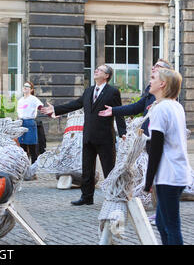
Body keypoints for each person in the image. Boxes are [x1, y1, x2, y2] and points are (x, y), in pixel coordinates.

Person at [41, 64, 126, 206]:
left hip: (105, 136)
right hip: (88, 135)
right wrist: (55, 109)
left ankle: (113, 197)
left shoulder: (113, 92)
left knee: (109, 169)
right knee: (87, 169)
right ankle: (87, 197)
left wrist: (123, 132)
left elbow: (118, 111)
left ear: (106, 76)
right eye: (96, 69)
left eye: (100, 70)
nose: (96, 71)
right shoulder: (89, 91)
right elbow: (75, 104)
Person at [143, 68, 192, 245]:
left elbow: (155, 148)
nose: (150, 81)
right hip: (177, 172)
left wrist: (148, 182)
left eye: (153, 78)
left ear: (162, 84)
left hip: (169, 174)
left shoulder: (160, 108)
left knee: (171, 226)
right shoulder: (175, 106)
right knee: (163, 224)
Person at [98, 59, 172, 149]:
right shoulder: (151, 91)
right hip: (147, 139)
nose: (153, 68)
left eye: (157, 66)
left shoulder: (166, 104)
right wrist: (113, 110)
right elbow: (136, 107)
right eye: (154, 66)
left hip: (156, 142)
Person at [17, 81, 44, 165]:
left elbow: (40, 107)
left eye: (27, 86)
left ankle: (33, 170)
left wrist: (51, 113)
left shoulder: (33, 99)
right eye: (24, 86)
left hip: (30, 123)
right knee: (22, 148)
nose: (25, 87)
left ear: (31, 89)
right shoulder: (20, 100)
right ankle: (24, 168)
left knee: (32, 148)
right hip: (21, 123)